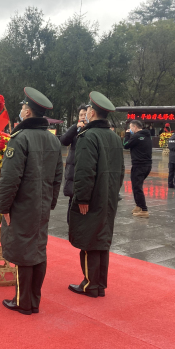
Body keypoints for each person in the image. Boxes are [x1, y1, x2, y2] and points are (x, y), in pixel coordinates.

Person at [0, 87, 63, 315]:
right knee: (37, 249)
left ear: (27, 112)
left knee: (23, 250)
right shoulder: (53, 140)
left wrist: (3, 206)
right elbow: (58, 177)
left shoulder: (20, 138)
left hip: (22, 205)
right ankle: (33, 300)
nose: (22, 111)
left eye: (23, 107)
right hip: (41, 204)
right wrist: (50, 202)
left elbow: (10, 178)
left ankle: (22, 301)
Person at [68, 91, 125, 298]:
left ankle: (90, 284)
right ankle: (99, 284)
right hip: (108, 196)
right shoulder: (114, 137)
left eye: (88, 110)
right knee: (101, 239)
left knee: (89, 238)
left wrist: (82, 198)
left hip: (91, 197)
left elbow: (84, 172)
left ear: (92, 112)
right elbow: (121, 171)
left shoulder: (88, 136)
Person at [59, 104, 87, 224]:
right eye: (81, 115)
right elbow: (64, 141)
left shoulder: (92, 130)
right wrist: (74, 128)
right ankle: (70, 224)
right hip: (73, 170)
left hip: (85, 170)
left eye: (85, 114)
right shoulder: (75, 129)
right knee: (72, 198)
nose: (83, 117)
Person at [124, 120, 152, 218]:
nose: (130, 129)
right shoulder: (148, 136)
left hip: (138, 165)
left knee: (137, 187)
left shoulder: (136, 136)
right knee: (137, 186)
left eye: (130, 127)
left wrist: (127, 135)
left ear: (135, 127)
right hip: (147, 165)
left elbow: (125, 145)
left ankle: (144, 209)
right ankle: (138, 205)